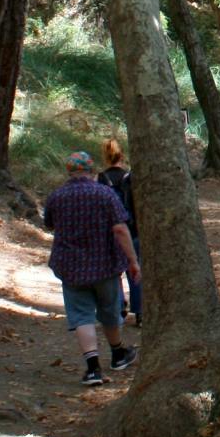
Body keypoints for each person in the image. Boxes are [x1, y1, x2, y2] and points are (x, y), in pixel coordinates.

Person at [42, 150, 140, 386]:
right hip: (104, 265)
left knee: (81, 315)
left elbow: (50, 224)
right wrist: (133, 261)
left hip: (71, 268)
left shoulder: (57, 196)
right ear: (92, 172)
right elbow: (120, 229)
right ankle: (117, 354)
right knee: (110, 311)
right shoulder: (105, 194)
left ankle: (93, 368)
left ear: (69, 172)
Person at [98, 137, 141, 325]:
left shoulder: (101, 178)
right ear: (122, 155)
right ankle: (140, 312)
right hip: (132, 229)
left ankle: (119, 307)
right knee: (135, 270)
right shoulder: (130, 177)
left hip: (110, 232)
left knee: (114, 272)